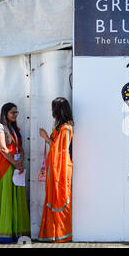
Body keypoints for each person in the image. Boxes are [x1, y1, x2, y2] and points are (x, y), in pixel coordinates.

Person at [0, 103, 31, 243]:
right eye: (12, 112)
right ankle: (1, 234)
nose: (15, 115)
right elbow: (3, 149)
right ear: (5, 113)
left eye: (16, 112)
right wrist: (16, 163)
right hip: (4, 166)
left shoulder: (14, 128)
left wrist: (21, 159)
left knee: (15, 198)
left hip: (16, 166)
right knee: (5, 198)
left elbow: (20, 147)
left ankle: (15, 232)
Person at [38, 97, 74, 242]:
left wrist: (45, 137)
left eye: (53, 108)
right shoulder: (60, 127)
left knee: (60, 198)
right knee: (53, 197)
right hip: (56, 170)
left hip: (61, 170)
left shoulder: (66, 129)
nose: (51, 111)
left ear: (58, 110)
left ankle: (61, 234)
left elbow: (58, 149)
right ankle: (51, 234)